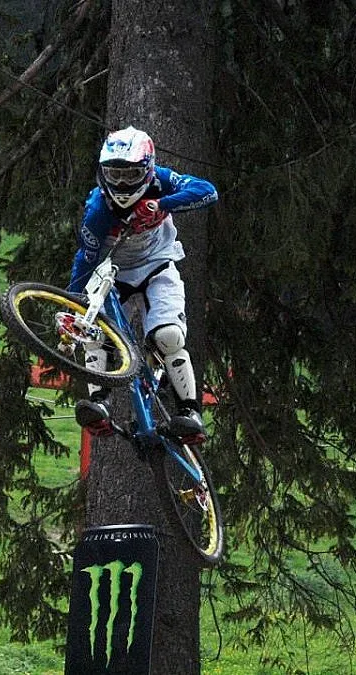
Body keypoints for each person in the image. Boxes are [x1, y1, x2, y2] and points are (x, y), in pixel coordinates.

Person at [67, 126, 218, 444]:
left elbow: (206, 191)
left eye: (130, 174)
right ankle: (99, 405)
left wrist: (163, 205)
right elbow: (87, 258)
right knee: (96, 333)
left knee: (168, 336)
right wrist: (73, 301)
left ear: (147, 170)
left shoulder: (161, 180)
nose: (121, 183)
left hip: (158, 266)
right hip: (115, 275)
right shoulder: (98, 210)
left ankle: (189, 412)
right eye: (114, 174)